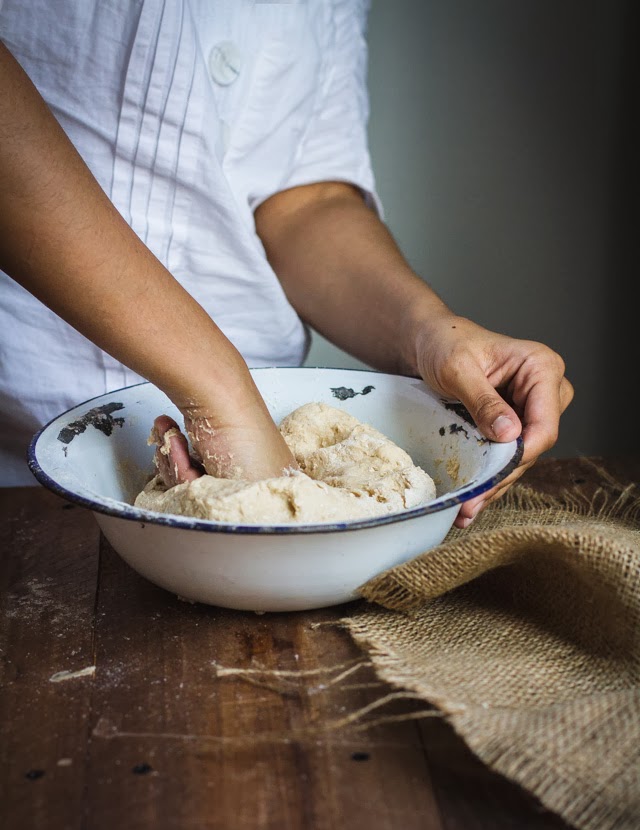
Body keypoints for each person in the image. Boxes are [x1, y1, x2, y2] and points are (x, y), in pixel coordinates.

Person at [0, 1, 572, 528]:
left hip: (261, 436)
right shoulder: (229, 404)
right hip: (19, 466)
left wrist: (428, 332)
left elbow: (303, 201)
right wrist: (223, 400)